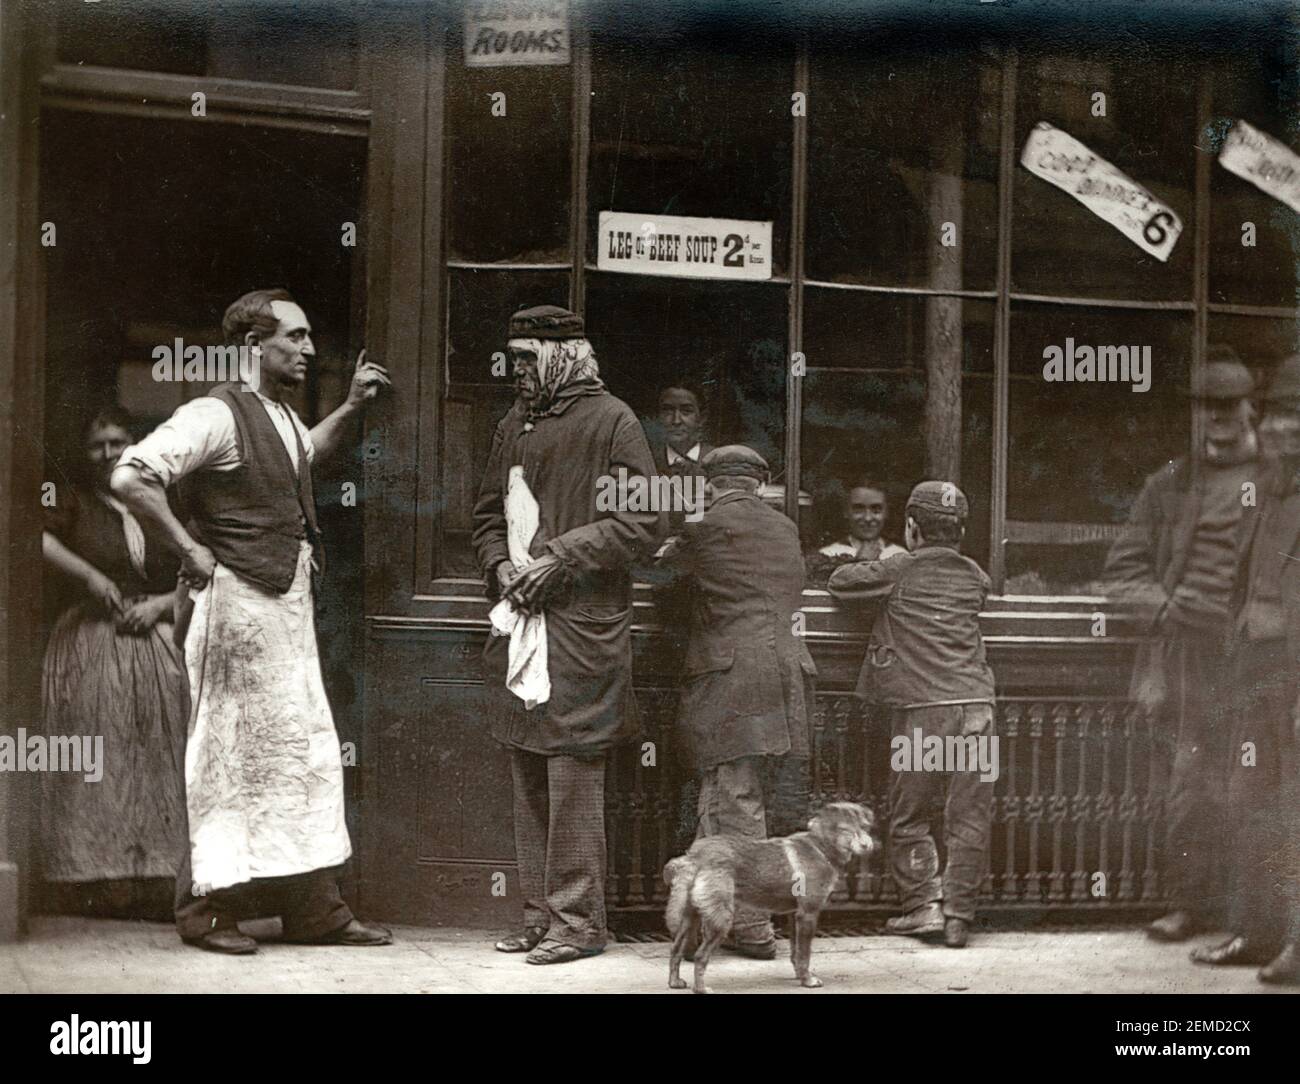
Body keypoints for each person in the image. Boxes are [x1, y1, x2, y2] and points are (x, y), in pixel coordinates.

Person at [110, 287, 393, 954]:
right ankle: (204, 913)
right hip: (232, 609)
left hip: (284, 611)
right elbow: (132, 476)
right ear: (251, 347)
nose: (309, 349)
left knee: (299, 756)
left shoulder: (277, 416)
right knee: (225, 759)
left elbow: (301, 456)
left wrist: (350, 408)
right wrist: (190, 551)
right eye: (294, 337)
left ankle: (313, 911)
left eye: (307, 337)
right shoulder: (214, 414)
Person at [474, 304, 663, 965]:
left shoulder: (615, 420)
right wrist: (500, 566)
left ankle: (578, 924)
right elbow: (483, 517)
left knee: (572, 774)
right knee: (527, 765)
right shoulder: (514, 424)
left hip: (582, 629)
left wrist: (558, 557)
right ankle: (539, 917)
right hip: (522, 623)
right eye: (515, 359)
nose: (516, 371)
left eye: (528, 359)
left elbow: (640, 524)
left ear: (563, 355)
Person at [1103, 350, 1258, 943]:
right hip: (1189, 658)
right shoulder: (1170, 484)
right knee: (1191, 783)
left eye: (1228, 405)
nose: (1218, 418)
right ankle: (1191, 904)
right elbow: (1123, 567)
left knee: (1263, 784)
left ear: (1250, 407)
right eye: (1206, 407)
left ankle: (1255, 920)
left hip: (1263, 656)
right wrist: (1164, 612)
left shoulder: (1280, 482)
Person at [654, 444, 816, 958]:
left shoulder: (703, 528)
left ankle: (751, 927)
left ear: (712, 483)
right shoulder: (786, 528)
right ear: (759, 482)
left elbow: (664, 583)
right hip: (786, 674)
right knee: (728, 793)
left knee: (736, 797)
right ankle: (713, 914)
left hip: (731, 676)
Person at [827, 481, 994, 949]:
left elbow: (840, 584)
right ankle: (959, 916)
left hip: (926, 711)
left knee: (910, 815)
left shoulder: (898, 567)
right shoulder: (975, 575)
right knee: (969, 816)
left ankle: (923, 905)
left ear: (913, 528)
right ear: (960, 531)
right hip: (979, 707)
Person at [39, 405, 188, 918]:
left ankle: (158, 878)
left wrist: (161, 605)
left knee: (161, 753)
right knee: (102, 752)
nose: (107, 454)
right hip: (92, 639)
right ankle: (97, 878)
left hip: (157, 639)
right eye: (97, 445)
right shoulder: (74, 502)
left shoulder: (159, 505)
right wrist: (89, 577)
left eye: (118, 442)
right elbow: (34, 537)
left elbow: (203, 565)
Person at [1191, 353, 1300, 984]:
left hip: (1293, 676)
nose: (1284, 429)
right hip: (1256, 672)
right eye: (1280, 414)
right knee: (1254, 801)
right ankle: (1260, 932)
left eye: (1298, 418)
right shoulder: (1267, 489)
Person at [819, 480, 907, 562]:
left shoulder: (900, 555)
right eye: (859, 510)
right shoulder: (828, 554)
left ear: (886, 512)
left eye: (876, 510)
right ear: (846, 512)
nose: (867, 518)